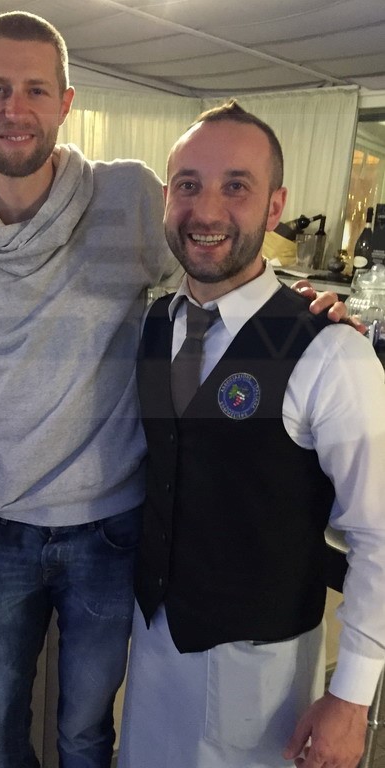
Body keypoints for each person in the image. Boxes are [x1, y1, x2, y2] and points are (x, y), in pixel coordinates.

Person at [0, 13, 346, 768]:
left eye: (35, 89)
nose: (15, 108)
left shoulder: (127, 195)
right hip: (0, 528)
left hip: (112, 531)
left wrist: (298, 309)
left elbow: (216, 255)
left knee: (87, 733)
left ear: (65, 102)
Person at [119, 101, 385, 768]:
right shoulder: (155, 323)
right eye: (188, 185)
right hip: (153, 645)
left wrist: (351, 696)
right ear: (166, 199)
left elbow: (379, 534)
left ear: (274, 207)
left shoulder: (331, 351)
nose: (206, 211)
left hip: (260, 667)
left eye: (235, 186)